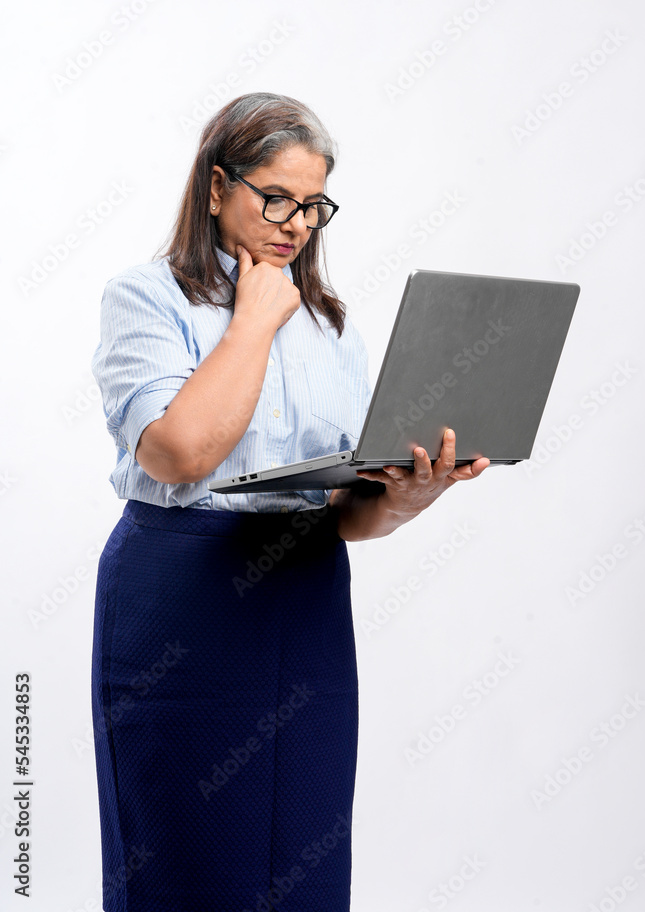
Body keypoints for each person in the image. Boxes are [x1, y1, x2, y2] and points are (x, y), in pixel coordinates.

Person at [90, 91, 490, 912]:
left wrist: (410, 494)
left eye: (313, 205)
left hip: (304, 597)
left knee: (299, 856)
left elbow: (347, 510)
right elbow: (179, 453)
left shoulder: (330, 323)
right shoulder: (146, 297)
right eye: (275, 196)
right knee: (185, 856)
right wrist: (251, 321)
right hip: (184, 598)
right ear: (214, 185)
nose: (296, 223)